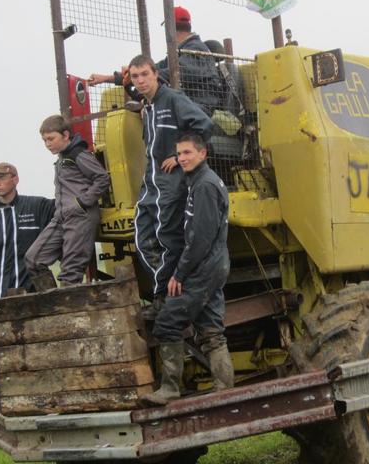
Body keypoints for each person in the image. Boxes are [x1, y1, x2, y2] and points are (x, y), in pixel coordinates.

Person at [140, 132, 232, 406]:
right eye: (179, 154)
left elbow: (200, 238)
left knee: (167, 323)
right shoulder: (201, 181)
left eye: (187, 153)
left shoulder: (204, 186)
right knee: (212, 330)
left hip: (203, 268)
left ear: (202, 153)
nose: (182, 159)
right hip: (214, 264)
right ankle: (224, 389)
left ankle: (169, 389)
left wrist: (179, 274)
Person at [125, 55, 213, 301]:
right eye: (135, 76)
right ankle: (166, 289)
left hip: (171, 182)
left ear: (155, 74)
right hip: (150, 183)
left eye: (145, 74)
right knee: (142, 238)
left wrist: (180, 155)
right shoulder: (148, 106)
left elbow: (204, 125)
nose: (141, 81)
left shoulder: (173, 99)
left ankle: (168, 296)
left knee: (167, 237)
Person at [88, 6, 224, 116]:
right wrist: (108, 78)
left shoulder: (195, 50)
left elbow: (173, 73)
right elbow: (154, 69)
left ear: (169, 28)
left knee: (155, 112)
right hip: (188, 104)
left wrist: (143, 76)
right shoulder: (178, 53)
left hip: (201, 107)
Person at [24, 115, 111, 286]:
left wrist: (82, 202)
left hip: (81, 216)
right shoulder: (63, 157)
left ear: (65, 135)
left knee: (70, 274)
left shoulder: (79, 154)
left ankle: (64, 309)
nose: (47, 144)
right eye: (44, 140)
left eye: (51, 139)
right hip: (61, 217)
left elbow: (102, 179)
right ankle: (51, 301)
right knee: (33, 259)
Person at [0, 163, 55, 313]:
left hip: (31, 294)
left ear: (15, 179)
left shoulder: (37, 206)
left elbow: (66, 206)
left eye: (2, 177)